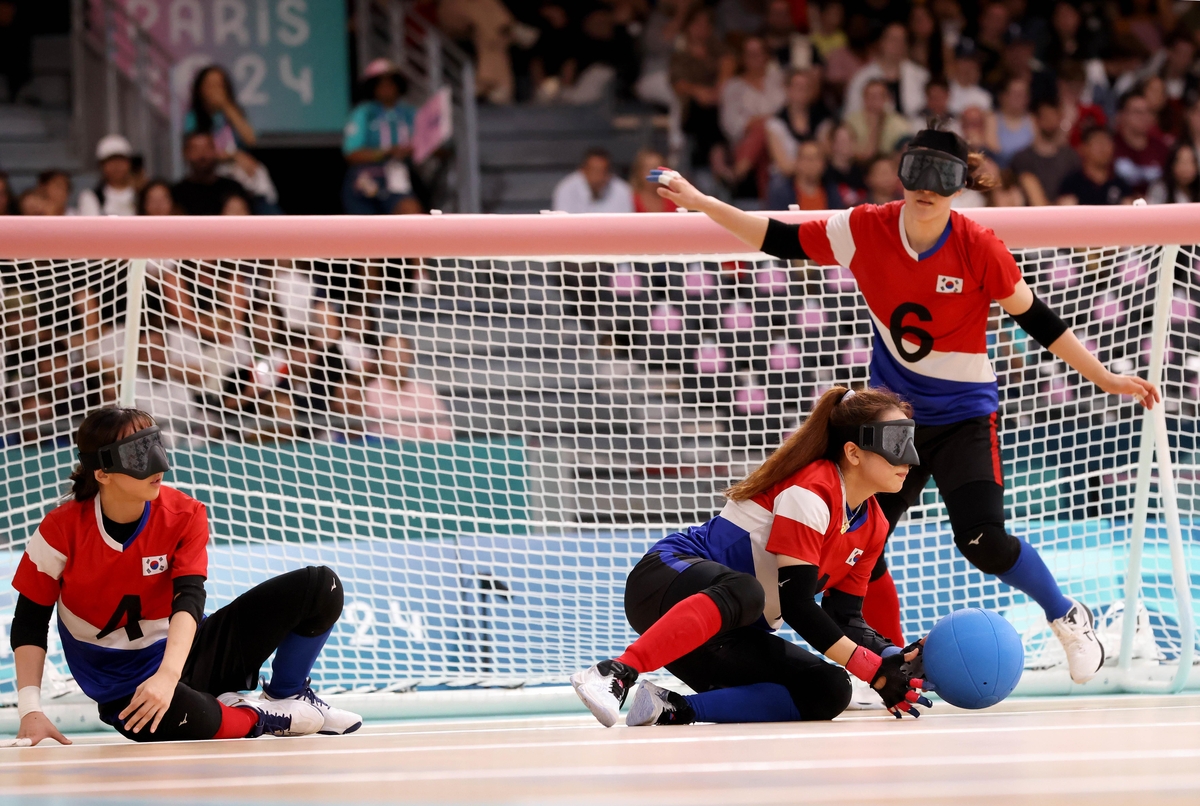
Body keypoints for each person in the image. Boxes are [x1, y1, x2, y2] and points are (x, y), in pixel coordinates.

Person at [646, 125, 1159, 687]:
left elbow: (1037, 318)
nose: (927, 188)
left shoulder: (977, 245)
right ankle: (886, 663)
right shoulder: (867, 227)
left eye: (943, 177)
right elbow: (777, 236)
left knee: (982, 539)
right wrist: (699, 202)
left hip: (964, 417)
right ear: (903, 173)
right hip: (895, 420)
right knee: (858, 548)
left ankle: (1066, 615)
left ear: (961, 185)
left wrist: (1105, 377)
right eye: (918, 172)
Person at [571, 386, 932, 727]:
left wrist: (894, 658)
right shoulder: (812, 491)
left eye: (909, 441)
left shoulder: (874, 525)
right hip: (664, 583)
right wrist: (871, 669)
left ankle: (671, 708)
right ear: (853, 452)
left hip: (726, 630)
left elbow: (846, 618)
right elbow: (797, 605)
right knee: (746, 591)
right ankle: (615, 672)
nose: (911, 459)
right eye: (896, 441)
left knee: (828, 688)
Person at [10, 407, 363, 746]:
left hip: (189, 654)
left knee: (320, 585)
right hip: (125, 685)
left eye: (154, 445)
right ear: (102, 473)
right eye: (137, 453)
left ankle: (288, 693)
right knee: (172, 716)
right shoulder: (60, 530)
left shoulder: (184, 513)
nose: (158, 463)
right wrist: (30, 710)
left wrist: (168, 675)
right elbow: (29, 621)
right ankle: (261, 716)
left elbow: (190, 599)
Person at [185, 65, 279, 215]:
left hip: (242, 173)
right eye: (210, 85)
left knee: (260, 183)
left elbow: (251, 139)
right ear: (200, 89)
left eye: (219, 86)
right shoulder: (193, 118)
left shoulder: (232, 112)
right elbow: (198, 152)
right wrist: (234, 155)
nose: (215, 90)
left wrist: (226, 106)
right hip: (214, 173)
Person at [342, 59, 423, 216]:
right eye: (381, 84)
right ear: (372, 88)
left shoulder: (410, 113)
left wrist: (414, 150)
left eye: (391, 83)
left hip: (399, 176)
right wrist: (387, 152)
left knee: (412, 213)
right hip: (366, 176)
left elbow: (432, 146)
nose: (387, 88)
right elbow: (351, 154)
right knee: (366, 231)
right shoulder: (363, 113)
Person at [719, 35, 786, 196]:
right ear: (742, 58)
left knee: (767, 129)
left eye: (758, 53)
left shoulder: (780, 81)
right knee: (763, 132)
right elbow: (731, 124)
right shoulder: (732, 87)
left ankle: (739, 172)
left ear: (767, 56)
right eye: (749, 54)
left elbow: (787, 114)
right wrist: (764, 121)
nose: (754, 59)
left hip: (780, 140)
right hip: (743, 141)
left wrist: (762, 122)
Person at [361, 335, 454, 442]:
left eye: (402, 353)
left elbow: (443, 431)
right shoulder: (369, 392)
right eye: (391, 353)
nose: (397, 358)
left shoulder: (425, 392)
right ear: (381, 357)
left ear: (411, 356)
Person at [843, 22, 930, 120]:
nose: (898, 45)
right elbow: (851, 115)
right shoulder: (861, 78)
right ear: (881, 42)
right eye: (893, 40)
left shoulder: (921, 75)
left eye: (902, 40)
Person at [1010, 99, 1081, 206]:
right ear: (1036, 120)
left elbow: (1075, 195)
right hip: (1030, 218)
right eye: (1046, 117)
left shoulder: (1071, 157)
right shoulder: (1022, 158)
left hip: (1066, 217)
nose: (1050, 122)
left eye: (1054, 117)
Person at [172, 132, 248, 216]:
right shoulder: (175, 194)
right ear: (186, 153)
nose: (202, 155)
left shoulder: (234, 189)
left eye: (207, 148)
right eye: (196, 149)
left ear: (215, 151)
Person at [1111, 90, 1170, 198]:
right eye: (1138, 112)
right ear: (1121, 115)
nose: (1144, 117)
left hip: (1155, 208)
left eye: (1148, 112)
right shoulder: (1111, 146)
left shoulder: (1161, 148)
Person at [1057, 126, 1133, 205]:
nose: (1103, 148)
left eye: (1107, 143)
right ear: (1083, 148)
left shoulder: (1121, 185)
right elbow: (1067, 212)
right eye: (1098, 143)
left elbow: (1129, 211)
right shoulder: (1071, 184)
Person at [844, 79, 911, 161]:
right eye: (870, 96)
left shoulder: (899, 123)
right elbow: (852, 154)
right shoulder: (851, 122)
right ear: (864, 98)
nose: (874, 101)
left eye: (878, 96)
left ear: (886, 98)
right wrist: (874, 128)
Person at [551, 148, 634, 213]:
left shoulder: (623, 191)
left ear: (609, 173)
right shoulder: (566, 189)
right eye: (593, 170)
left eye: (602, 171)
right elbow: (562, 225)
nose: (597, 177)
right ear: (583, 170)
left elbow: (627, 226)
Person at [78, 135, 137, 217]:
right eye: (111, 161)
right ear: (101, 166)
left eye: (121, 160)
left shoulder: (141, 195)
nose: (117, 166)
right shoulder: (91, 197)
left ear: (129, 164)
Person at [986, 77, 1035, 169]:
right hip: (1000, 170)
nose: (1019, 99)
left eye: (1022, 94)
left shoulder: (1033, 120)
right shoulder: (992, 119)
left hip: (1027, 172)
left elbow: (1037, 152)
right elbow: (993, 149)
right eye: (1015, 94)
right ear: (1003, 96)